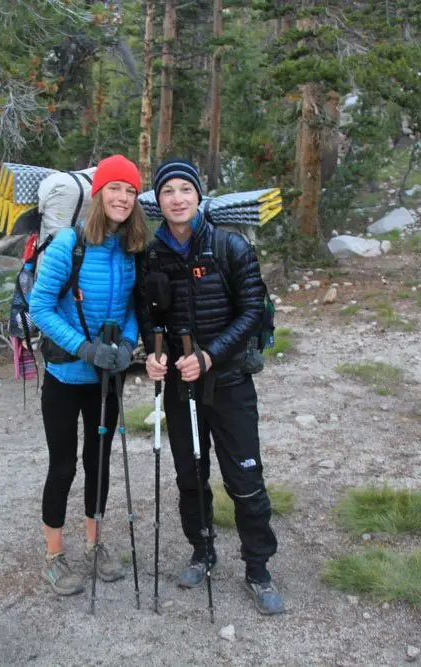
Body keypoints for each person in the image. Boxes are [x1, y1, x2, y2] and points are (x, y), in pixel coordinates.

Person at [139, 158, 285, 615]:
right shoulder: (150, 254)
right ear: (158, 201)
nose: (177, 198)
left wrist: (209, 355)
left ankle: (258, 569)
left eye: (185, 189)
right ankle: (202, 552)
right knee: (190, 478)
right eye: (168, 191)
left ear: (199, 197)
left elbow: (250, 311)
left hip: (228, 381)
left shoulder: (230, 246)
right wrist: (153, 355)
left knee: (244, 478)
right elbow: (147, 315)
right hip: (181, 389)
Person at [29, 154, 147, 596]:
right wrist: (85, 348)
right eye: (114, 188)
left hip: (107, 381)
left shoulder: (131, 249)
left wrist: (126, 345)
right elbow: (41, 307)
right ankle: (54, 557)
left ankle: (95, 545)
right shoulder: (68, 244)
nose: (122, 197)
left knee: (98, 466)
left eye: (130, 190)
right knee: (62, 467)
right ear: (98, 194)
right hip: (64, 377)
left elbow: (133, 308)